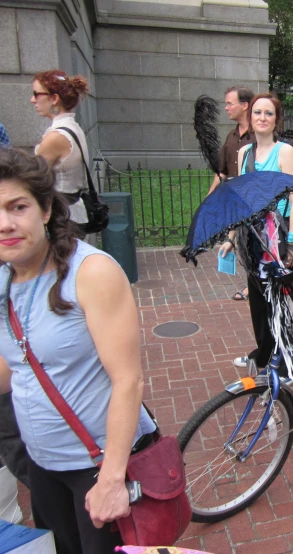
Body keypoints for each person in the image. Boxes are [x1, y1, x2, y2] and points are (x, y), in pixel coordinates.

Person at [0, 149, 156, 553]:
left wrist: (111, 479)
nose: (5, 224)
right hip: (41, 461)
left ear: (46, 209)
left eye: (17, 207)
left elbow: (128, 380)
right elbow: (14, 365)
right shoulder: (3, 277)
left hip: (97, 463)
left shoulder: (91, 273)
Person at [218, 93, 293, 380]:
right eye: (257, 113)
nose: (262, 118)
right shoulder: (244, 154)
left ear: (276, 120)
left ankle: (290, 361)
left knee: (280, 300)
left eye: (269, 113)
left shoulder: (285, 152)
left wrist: (291, 243)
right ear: (250, 117)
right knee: (258, 299)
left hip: (276, 237)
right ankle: (265, 353)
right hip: (251, 236)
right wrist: (230, 237)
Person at [206, 85, 254, 302]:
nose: (226, 108)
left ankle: (256, 286)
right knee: (243, 244)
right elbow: (222, 172)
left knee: (257, 244)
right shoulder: (232, 137)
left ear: (244, 106)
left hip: (256, 201)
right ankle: (255, 282)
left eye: (229, 103)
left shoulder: (261, 134)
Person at [31, 70, 91, 239]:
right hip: (72, 212)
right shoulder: (72, 127)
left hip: (61, 217)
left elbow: (32, 177)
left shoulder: (56, 136)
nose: (33, 100)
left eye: (36, 94)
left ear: (54, 98)